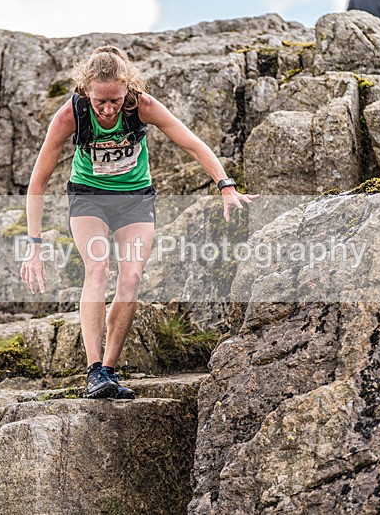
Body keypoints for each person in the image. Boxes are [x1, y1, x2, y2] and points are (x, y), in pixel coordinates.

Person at [19, 46, 258, 399]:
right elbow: (38, 181)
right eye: (100, 101)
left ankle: (109, 372)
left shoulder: (141, 106)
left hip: (135, 200)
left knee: (130, 277)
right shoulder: (70, 115)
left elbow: (191, 143)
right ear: (86, 90)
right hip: (89, 198)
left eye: (114, 99)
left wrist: (225, 185)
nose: (107, 108)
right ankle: (93, 370)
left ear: (126, 89)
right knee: (97, 269)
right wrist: (34, 246)